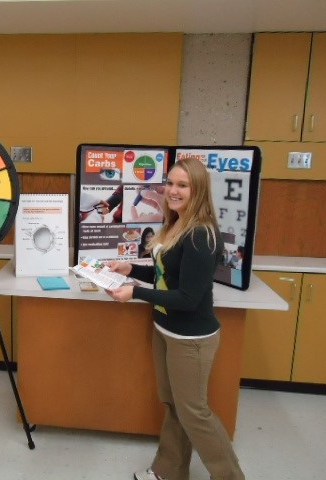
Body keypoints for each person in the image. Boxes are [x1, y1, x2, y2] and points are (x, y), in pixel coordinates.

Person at [105, 157, 245, 480]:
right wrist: (130, 269)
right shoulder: (175, 223)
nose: (173, 190)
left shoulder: (199, 235)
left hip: (191, 340)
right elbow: (165, 275)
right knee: (174, 405)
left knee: (195, 413)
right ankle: (168, 472)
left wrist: (135, 293)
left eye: (182, 185)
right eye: (170, 183)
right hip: (165, 330)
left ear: (198, 191)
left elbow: (187, 298)